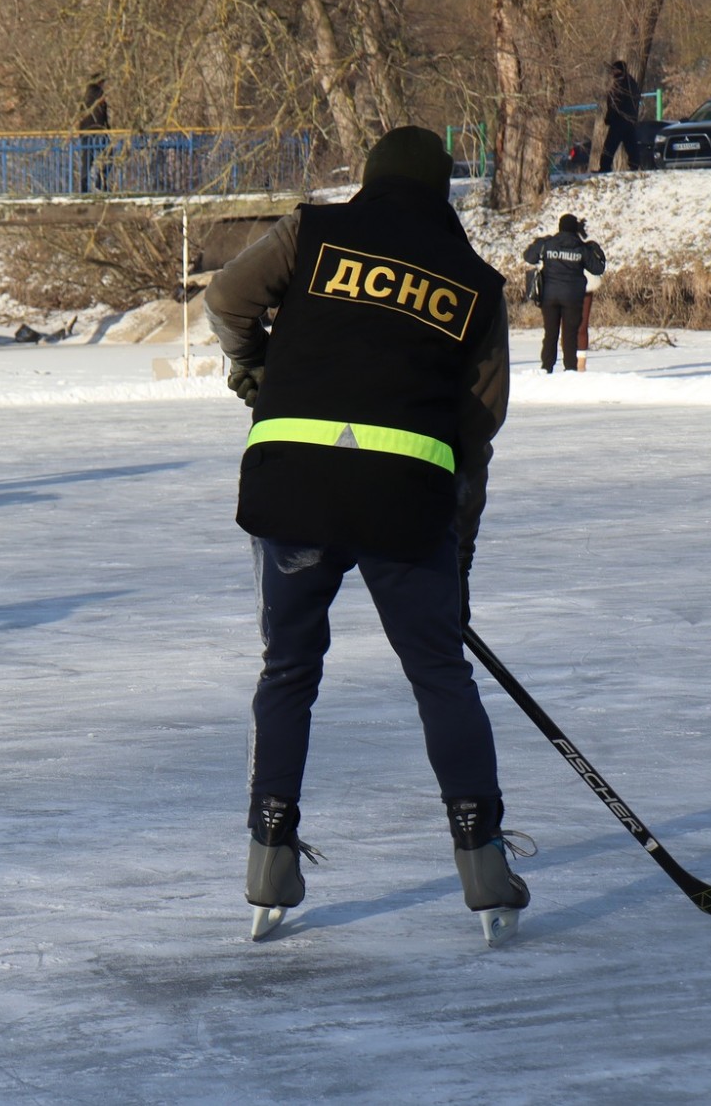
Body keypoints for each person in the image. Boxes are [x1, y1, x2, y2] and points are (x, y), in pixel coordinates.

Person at [203, 124, 527, 944]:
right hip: (405, 502)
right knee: (439, 677)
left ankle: (269, 856)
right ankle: (483, 864)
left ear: (372, 180)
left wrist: (259, 368)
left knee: (287, 671)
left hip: (293, 487)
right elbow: (475, 429)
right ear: (442, 191)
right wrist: (460, 556)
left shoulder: (314, 231)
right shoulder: (475, 285)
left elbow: (227, 301)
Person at [522, 214, 606, 373]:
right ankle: (570, 368)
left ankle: (546, 367)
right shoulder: (581, 248)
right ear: (575, 229)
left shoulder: (548, 244)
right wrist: (596, 249)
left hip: (549, 296)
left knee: (550, 333)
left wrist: (538, 242)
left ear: (559, 227)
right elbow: (598, 268)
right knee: (570, 334)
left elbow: (529, 257)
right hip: (573, 297)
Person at [597, 59, 641, 173]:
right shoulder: (632, 82)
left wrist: (609, 117)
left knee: (610, 146)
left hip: (619, 120)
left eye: (614, 70)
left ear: (618, 70)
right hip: (630, 120)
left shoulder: (619, 83)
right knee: (631, 146)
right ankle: (635, 166)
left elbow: (615, 103)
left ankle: (604, 167)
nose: (612, 73)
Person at [76, 77, 111, 193]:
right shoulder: (99, 95)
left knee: (86, 160)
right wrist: (107, 130)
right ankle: (101, 183)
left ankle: (84, 187)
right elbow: (102, 116)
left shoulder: (85, 96)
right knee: (108, 154)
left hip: (86, 133)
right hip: (98, 132)